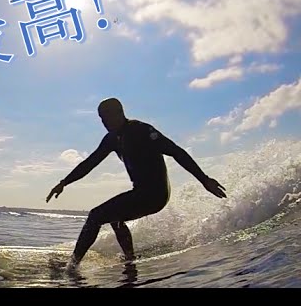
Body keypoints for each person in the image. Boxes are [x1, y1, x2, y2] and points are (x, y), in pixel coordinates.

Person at [46, 97, 227, 269]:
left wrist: (204, 179)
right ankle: (130, 259)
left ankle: (72, 265)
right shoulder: (111, 139)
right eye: (101, 118)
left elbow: (176, 151)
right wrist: (64, 182)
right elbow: (90, 163)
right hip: (140, 193)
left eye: (108, 116)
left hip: (156, 194)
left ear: (120, 112)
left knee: (95, 216)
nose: (105, 122)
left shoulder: (141, 130)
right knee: (114, 217)